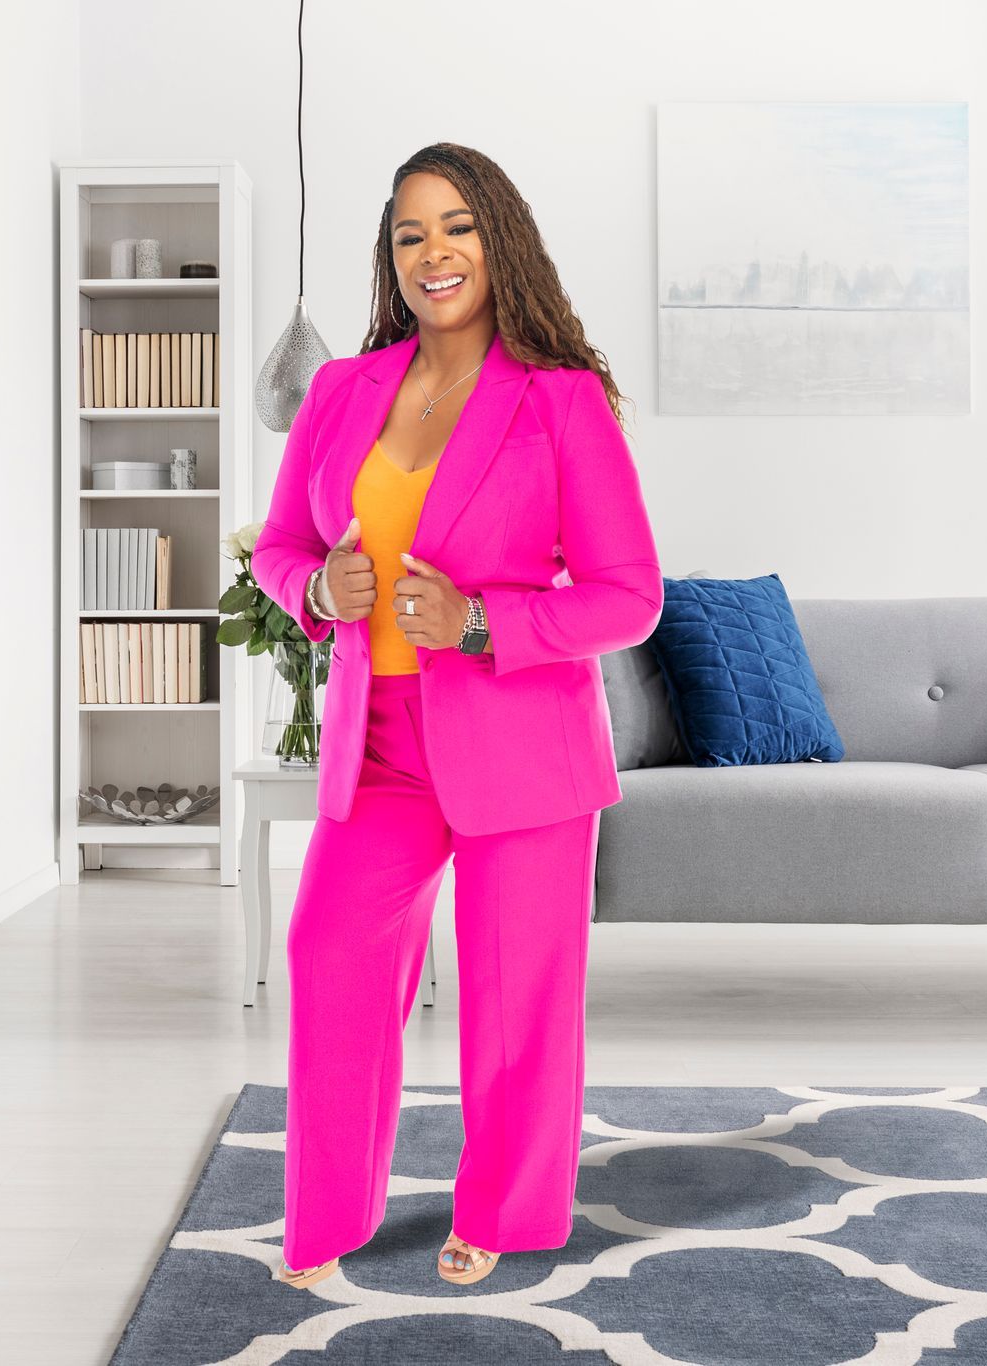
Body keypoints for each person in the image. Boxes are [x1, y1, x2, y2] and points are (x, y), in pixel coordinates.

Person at [250, 141, 663, 1289]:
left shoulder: (561, 399)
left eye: (457, 226)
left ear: (500, 240)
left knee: (513, 998)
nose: (434, 252)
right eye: (410, 233)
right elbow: (282, 548)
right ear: (391, 259)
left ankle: (503, 1211)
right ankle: (328, 1219)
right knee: (329, 950)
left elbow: (630, 596)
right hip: (377, 739)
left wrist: (480, 622)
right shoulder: (341, 392)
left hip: (521, 742)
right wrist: (320, 590)